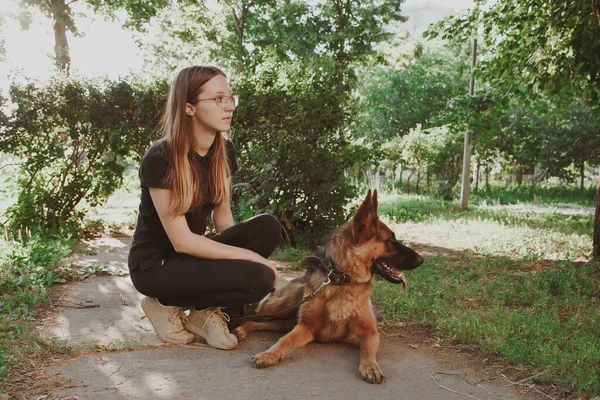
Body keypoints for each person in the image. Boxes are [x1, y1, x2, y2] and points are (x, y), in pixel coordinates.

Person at [128, 65, 281, 350]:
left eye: (230, 98)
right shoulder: (161, 157)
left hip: (192, 258)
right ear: (189, 108)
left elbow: (223, 217)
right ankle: (163, 304)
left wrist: (244, 255)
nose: (229, 106)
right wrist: (251, 259)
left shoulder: (223, 151)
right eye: (218, 99)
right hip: (156, 266)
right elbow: (182, 242)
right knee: (258, 278)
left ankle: (204, 312)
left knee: (268, 227)